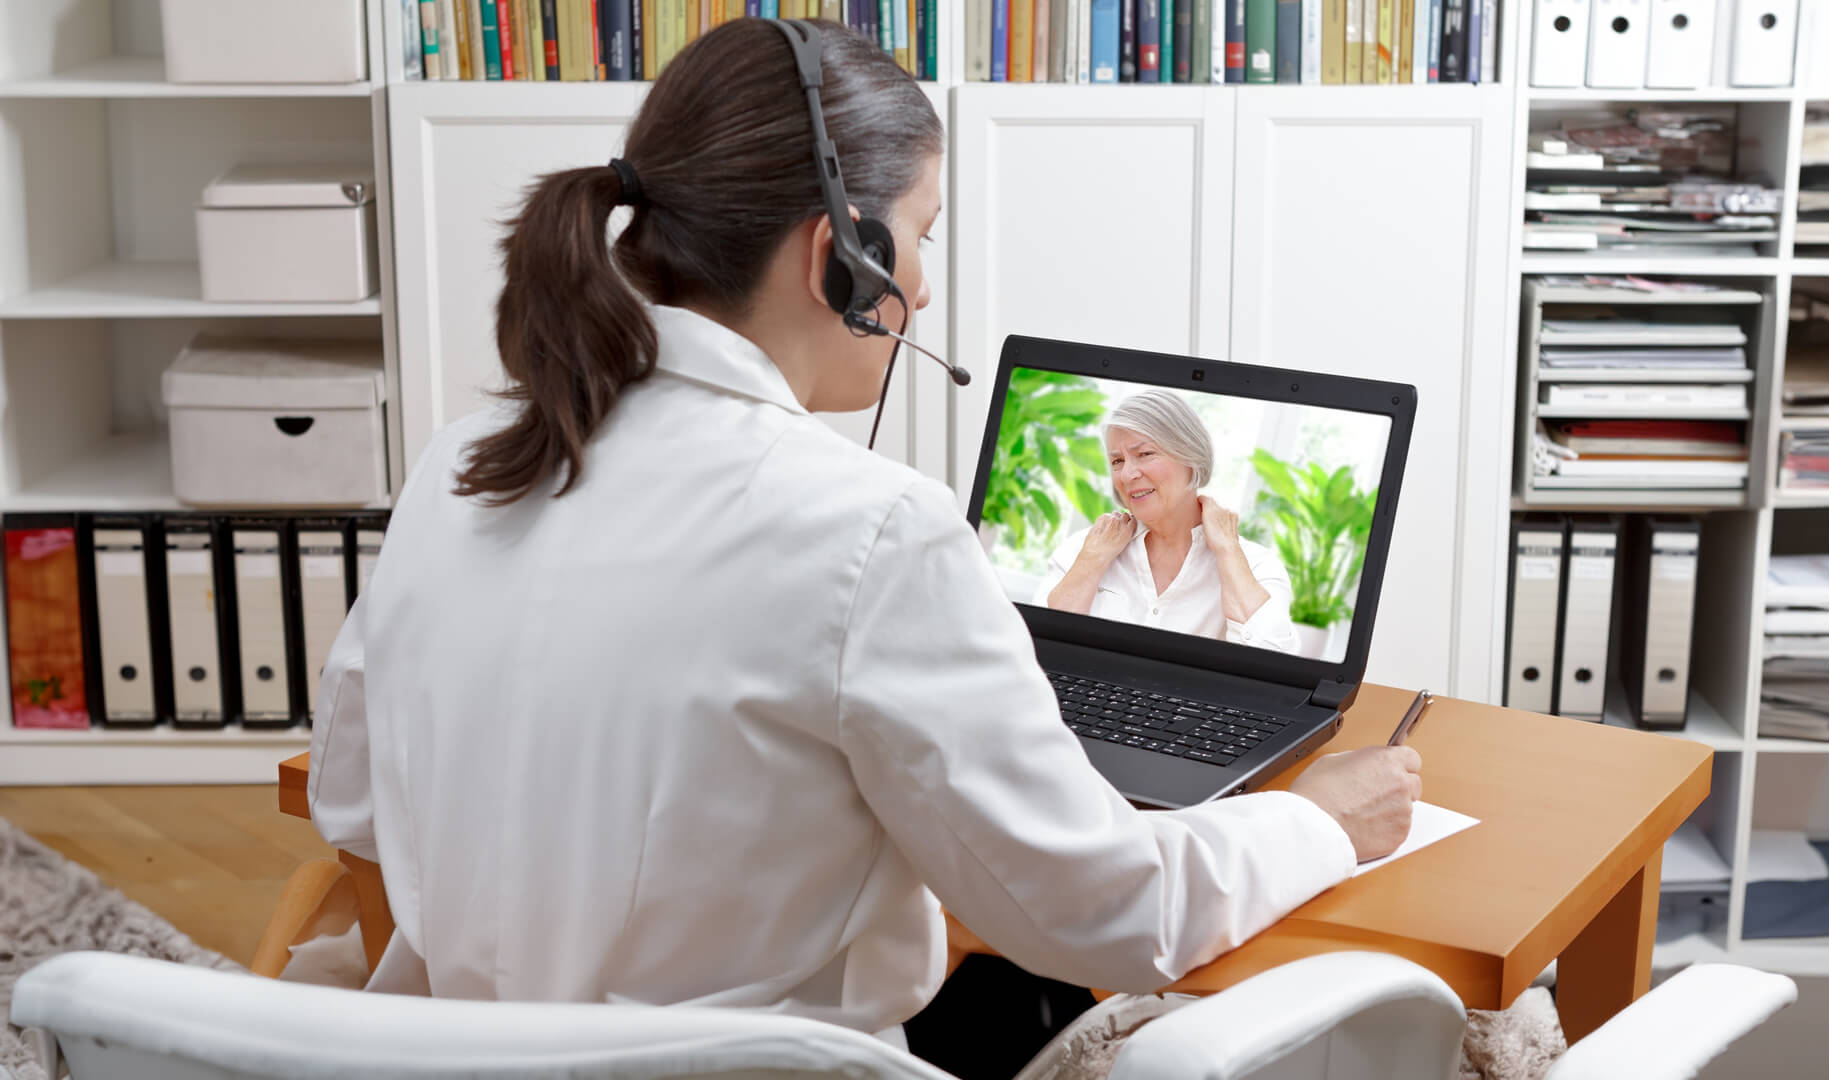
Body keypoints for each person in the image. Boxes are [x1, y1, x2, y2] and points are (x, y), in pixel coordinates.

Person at [306, 19, 1421, 1080]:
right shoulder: (872, 529)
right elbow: (1112, 915)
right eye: (921, 233)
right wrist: (1319, 820)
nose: (923, 287)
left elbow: (350, 806)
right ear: (835, 253)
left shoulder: (462, 467)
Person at [1038, 390, 1300, 653]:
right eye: (1117, 461)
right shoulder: (1082, 549)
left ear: (1191, 457)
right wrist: (1091, 561)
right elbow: (1038, 653)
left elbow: (1272, 658)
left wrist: (1228, 551)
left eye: (1145, 454)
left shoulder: (1256, 565)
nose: (1127, 474)